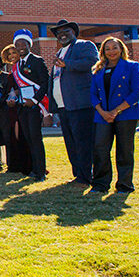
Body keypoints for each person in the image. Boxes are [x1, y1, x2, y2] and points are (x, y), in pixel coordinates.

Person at [48, 19, 99, 186]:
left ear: (74, 32)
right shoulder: (60, 52)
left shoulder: (84, 45)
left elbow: (92, 62)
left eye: (66, 31)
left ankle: (86, 176)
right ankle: (78, 174)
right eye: (59, 32)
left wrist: (67, 64)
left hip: (80, 104)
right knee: (71, 142)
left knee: (83, 142)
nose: (62, 34)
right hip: (64, 106)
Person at [90, 37, 139, 193]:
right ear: (103, 52)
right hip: (103, 115)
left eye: (114, 48)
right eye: (107, 49)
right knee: (100, 149)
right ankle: (100, 184)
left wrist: (116, 111)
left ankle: (124, 185)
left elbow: (138, 92)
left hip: (126, 114)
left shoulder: (131, 66)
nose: (111, 51)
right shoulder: (97, 69)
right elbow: (93, 94)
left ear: (121, 49)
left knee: (124, 150)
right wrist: (102, 112)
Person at [8, 29, 49, 181]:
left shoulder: (37, 61)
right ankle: (33, 168)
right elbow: (19, 88)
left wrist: (35, 100)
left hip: (35, 106)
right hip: (22, 107)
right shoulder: (17, 65)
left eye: (23, 44)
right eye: (17, 44)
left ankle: (41, 171)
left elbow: (45, 83)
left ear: (29, 44)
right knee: (28, 139)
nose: (20, 47)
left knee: (36, 138)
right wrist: (14, 97)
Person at [1, 43, 32, 175]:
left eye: (14, 53)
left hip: (25, 105)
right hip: (12, 108)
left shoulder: (25, 69)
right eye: (9, 54)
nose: (12, 56)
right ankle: (14, 165)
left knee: (24, 136)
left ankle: (28, 165)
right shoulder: (11, 72)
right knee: (13, 136)